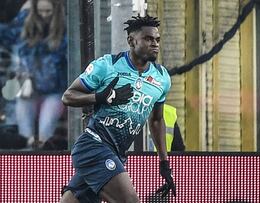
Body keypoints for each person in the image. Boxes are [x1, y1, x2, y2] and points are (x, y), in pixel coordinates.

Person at [60, 15, 176, 202]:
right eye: (148, 39)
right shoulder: (107, 65)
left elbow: (156, 120)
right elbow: (68, 96)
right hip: (94, 146)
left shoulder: (162, 78)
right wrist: (99, 97)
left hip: (116, 153)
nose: (155, 44)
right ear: (131, 41)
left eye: (157, 40)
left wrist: (164, 162)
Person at [0, 0, 67, 149]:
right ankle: (27, 164)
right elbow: (5, 34)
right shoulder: (25, 23)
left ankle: (45, 165)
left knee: (46, 134)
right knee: (25, 137)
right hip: (28, 88)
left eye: (48, 11)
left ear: (55, 11)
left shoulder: (64, 28)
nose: (44, 15)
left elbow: (70, 57)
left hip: (53, 90)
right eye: (40, 11)